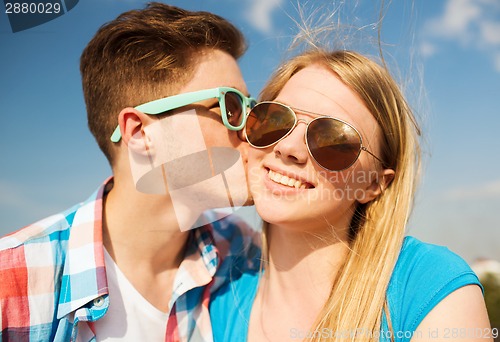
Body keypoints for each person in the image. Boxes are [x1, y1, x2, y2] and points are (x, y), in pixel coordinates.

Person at [0, 3, 259, 341]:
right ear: (139, 132)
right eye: (232, 106)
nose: (253, 128)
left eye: (251, 107)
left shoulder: (240, 249)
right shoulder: (13, 280)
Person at [210, 49, 492, 341]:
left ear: (373, 185)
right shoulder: (217, 294)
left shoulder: (428, 287)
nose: (287, 147)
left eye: (333, 140)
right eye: (274, 120)